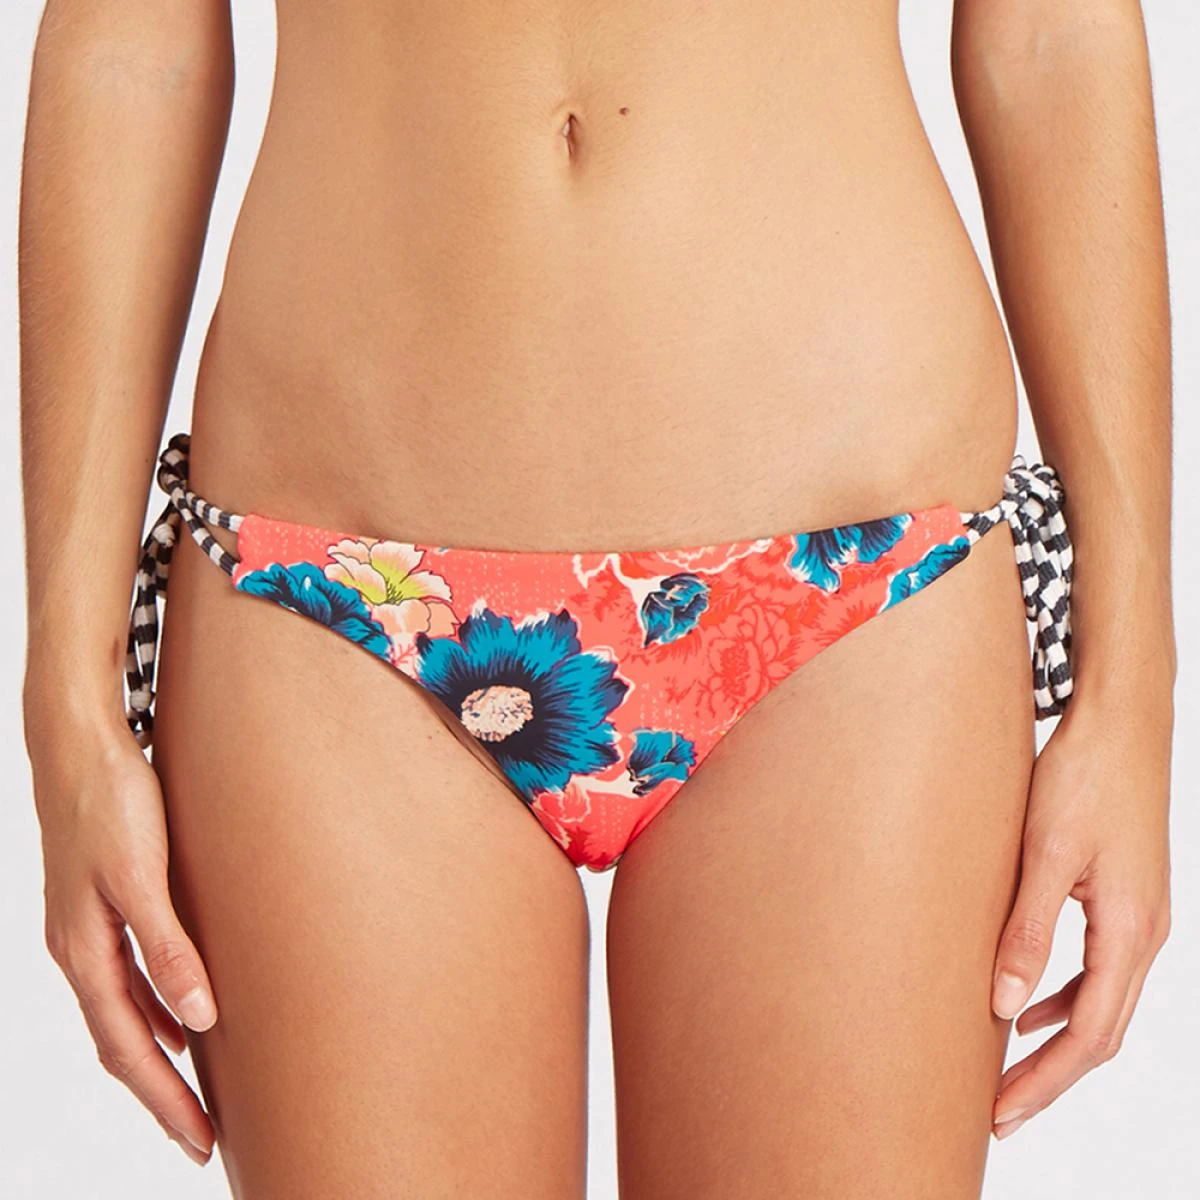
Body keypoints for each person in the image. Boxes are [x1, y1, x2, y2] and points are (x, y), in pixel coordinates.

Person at [18, 0, 1174, 1195]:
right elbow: (130, 38)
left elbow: (1053, 32)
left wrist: (1134, 690)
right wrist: (66, 698)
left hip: (857, 565)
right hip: (333, 579)